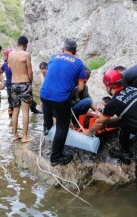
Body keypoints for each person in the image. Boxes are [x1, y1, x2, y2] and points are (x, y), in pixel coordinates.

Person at [84, 69, 137, 202]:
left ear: (108, 86)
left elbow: (99, 122)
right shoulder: (132, 90)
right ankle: (125, 154)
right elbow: (126, 115)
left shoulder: (113, 103)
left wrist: (88, 133)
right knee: (123, 124)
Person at [40, 38, 86, 166]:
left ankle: (47, 129)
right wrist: (73, 92)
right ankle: (55, 157)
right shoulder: (79, 63)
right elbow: (81, 87)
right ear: (75, 51)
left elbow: (53, 75)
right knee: (62, 126)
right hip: (60, 98)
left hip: (44, 94)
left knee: (48, 111)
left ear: (62, 50)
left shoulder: (53, 57)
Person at [8, 36, 34, 143]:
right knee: (25, 111)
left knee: (15, 110)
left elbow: (10, 68)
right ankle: (24, 137)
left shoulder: (10, 54)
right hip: (24, 84)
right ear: (25, 45)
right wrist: (30, 82)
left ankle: (14, 135)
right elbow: (30, 72)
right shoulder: (26, 54)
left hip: (13, 85)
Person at [1, 49, 14, 117]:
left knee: (13, 102)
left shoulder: (14, 63)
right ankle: (11, 117)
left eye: (4, 55)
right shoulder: (4, 65)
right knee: (11, 102)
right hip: (9, 85)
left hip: (14, 85)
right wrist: (3, 81)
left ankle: (12, 117)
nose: (3, 56)